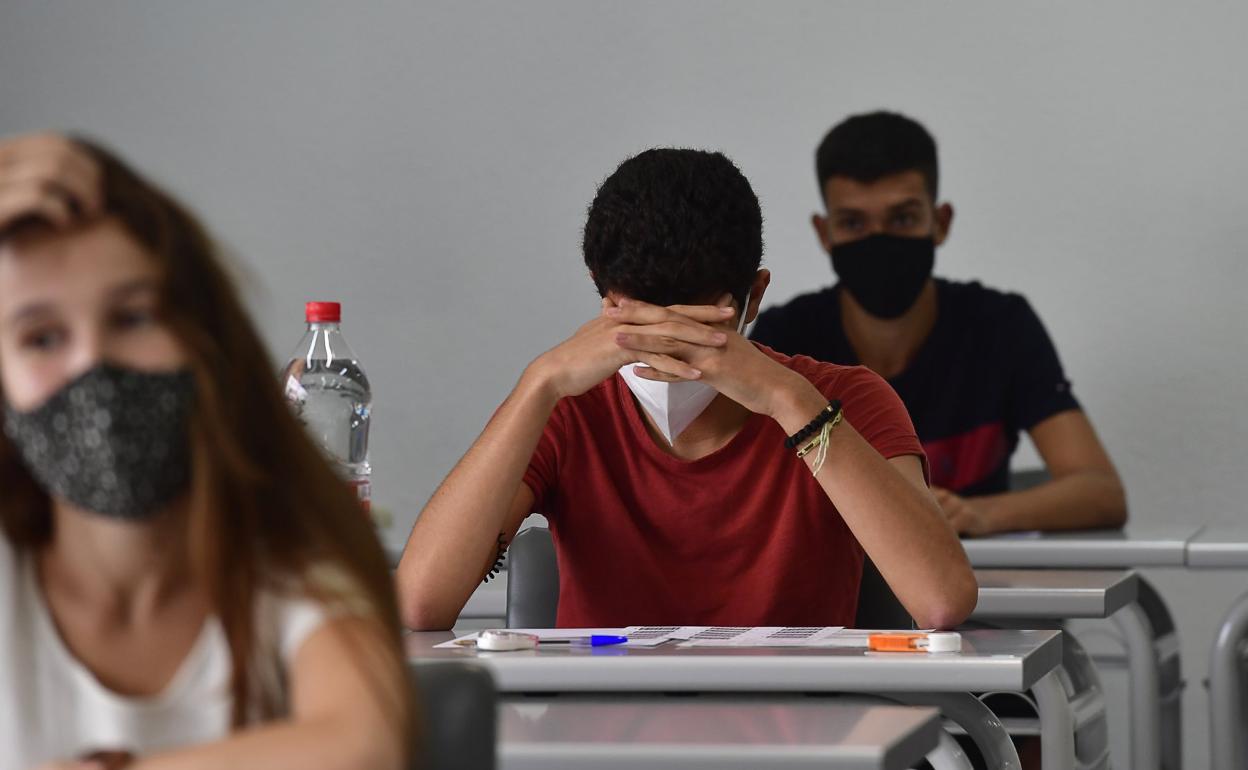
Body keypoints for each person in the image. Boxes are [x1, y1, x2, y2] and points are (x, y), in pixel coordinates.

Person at [397, 148, 975, 632]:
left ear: (754, 297)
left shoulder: (843, 397)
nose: (672, 354)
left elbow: (941, 600)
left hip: (803, 734)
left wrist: (788, 400)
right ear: (606, 302)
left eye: (700, 329)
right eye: (645, 328)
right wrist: (539, 383)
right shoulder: (567, 410)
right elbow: (420, 604)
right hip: (599, 738)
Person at [0, 134, 411, 770]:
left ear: (201, 338)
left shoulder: (288, 556)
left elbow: (363, 745)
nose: (92, 366)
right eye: (42, 336)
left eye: (133, 318)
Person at [751, 111, 1127, 537]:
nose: (879, 240)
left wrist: (976, 515)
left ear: (941, 222)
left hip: (981, 594)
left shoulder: (999, 327)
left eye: (903, 218)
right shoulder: (785, 340)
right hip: (836, 598)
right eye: (853, 223)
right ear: (824, 233)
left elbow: (1100, 492)